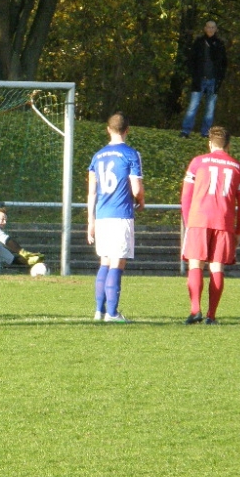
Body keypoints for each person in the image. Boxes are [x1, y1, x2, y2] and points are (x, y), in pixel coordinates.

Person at [180, 126, 240, 325]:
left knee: (195, 263)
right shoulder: (237, 167)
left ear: (209, 143)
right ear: (228, 144)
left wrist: (188, 222)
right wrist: (239, 230)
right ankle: (211, 315)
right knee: (217, 267)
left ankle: (195, 310)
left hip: (198, 220)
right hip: (224, 221)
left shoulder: (197, 162)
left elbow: (186, 196)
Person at [87, 112, 144, 323]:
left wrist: (90, 222)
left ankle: (99, 311)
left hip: (101, 216)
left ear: (108, 130)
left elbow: (91, 192)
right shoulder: (131, 154)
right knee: (117, 263)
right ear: (127, 130)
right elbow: (136, 188)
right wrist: (142, 200)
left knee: (104, 262)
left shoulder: (97, 156)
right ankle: (112, 313)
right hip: (120, 214)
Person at [180, 21, 228, 139]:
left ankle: (206, 133)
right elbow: (191, 61)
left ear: (216, 29)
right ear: (205, 28)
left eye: (213, 27)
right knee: (193, 106)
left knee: (210, 109)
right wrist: (194, 76)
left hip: (213, 81)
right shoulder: (198, 43)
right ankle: (185, 131)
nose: (210, 29)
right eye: (209, 27)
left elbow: (224, 64)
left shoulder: (220, 44)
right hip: (199, 80)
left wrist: (219, 80)